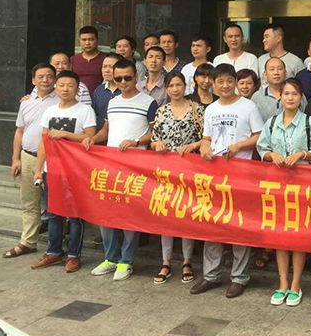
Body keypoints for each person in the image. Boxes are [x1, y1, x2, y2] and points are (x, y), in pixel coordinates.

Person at [191, 64, 263, 298]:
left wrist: (239, 145)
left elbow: (260, 136)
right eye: (220, 81)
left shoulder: (248, 106)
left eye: (229, 81)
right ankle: (211, 275)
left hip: (241, 175)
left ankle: (239, 277)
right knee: (213, 224)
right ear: (213, 84)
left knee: (239, 225)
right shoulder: (211, 109)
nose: (225, 85)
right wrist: (204, 148)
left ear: (235, 82)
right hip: (215, 175)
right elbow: (206, 138)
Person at [82, 59, 158, 281]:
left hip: (135, 167)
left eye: (127, 77)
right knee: (106, 213)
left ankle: (126, 261)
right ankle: (111, 258)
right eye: (118, 78)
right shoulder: (112, 102)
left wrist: (136, 142)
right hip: (110, 165)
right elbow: (106, 129)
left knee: (129, 215)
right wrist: (92, 139)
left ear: (136, 77)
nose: (123, 82)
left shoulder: (149, 102)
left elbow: (156, 132)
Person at [257, 78, 311, 307]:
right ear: (280, 96)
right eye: (286, 93)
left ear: (301, 98)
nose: (290, 98)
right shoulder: (272, 122)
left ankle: (296, 285)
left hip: (302, 187)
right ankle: (282, 284)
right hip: (277, 187)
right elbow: (262, 147)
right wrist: (271, 155)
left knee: (298, 236)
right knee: (280, 236)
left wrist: (302, 154)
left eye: (294, 94)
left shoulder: (308, 122)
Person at [31, 71, 97, 273]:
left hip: (76, 170)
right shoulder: (49, 111)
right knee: (53, 213)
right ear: (56, 88)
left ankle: (73, 255)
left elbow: (90, 138)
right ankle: (53, 252)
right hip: (52, 169)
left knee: (75, 215)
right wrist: (38, 169)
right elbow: (44, 141)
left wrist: (64, 134)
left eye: (70, 85)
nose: (65, 89)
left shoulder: (85, 111)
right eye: (61, 85)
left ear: (78, 89)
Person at [150, 72, 205, 285]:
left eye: (179, 85)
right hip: (166, 171)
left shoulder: (197, 109)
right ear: (166, 88)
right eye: (171, 85)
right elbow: (154, 140)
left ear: (186, 86)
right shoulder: (161, 110)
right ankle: (166, 262)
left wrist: (193, 145)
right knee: (166, 216)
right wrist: (157, 144)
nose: (175, 89)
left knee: (186, 215)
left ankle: (187, 261)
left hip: (190, 171)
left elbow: (207, 138)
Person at [3, 63, 58, 260]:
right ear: (33, 80)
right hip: (28, 157)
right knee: (29, 202)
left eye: (49, 76)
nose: (45, 80)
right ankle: (28, 242)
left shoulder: (61, 101)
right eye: (40, 77)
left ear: (55, 79)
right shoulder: (25, 103)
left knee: (55, 205)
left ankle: (56, 247)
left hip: (53, 160)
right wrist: (15, 158)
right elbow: (19, 131)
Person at [253, 57, 307, 122]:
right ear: (265, 74)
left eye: (279, 69)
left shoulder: (298, 95)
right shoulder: (257, 97)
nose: (276, 72)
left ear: (285, 73)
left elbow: (305, 119)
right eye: (272, 69)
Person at [25, 53, 91, 105]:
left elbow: (86, 109)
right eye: (56, 64)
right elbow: (34, 101)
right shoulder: (43, 85)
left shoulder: (81, 87)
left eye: (64, 63)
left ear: (70, 66)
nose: (60, 67)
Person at [92, 53, 123, 133]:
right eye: (104, 66)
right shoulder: (99, 90)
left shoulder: (127, 90)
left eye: (111, 67)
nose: (106, 70)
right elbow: (94, 114)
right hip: (100, 136)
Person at [71, 25, 105, 95]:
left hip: (100, 97)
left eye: (91, 39)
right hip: (78, 97)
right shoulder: (73, 59)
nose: (87, 43)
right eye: (84, 40)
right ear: (79, 41)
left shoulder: (106, 59)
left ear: (97, 40)